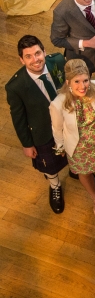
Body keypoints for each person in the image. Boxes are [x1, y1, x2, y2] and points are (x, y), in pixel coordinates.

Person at [6, 35, 68, 213]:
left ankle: (77, 171)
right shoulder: (15, 86)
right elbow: (18, 118)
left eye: (38, 53)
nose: (35, 60)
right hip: (43, 132)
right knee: (50, 163)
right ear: (21, 59)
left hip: (67, 122)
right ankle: (55, 185)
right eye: (29, 56)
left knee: (74, 149)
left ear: (44, 51)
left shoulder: (57, 61)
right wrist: (27, 144)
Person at [49, 59, 95, 218]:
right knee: (84, 174)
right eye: (77, 81)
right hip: (78, 148)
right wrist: (60, 147)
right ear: (68, 81)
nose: (83, 86)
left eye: (85, 80)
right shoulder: (58, 104)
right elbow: (57, 129)